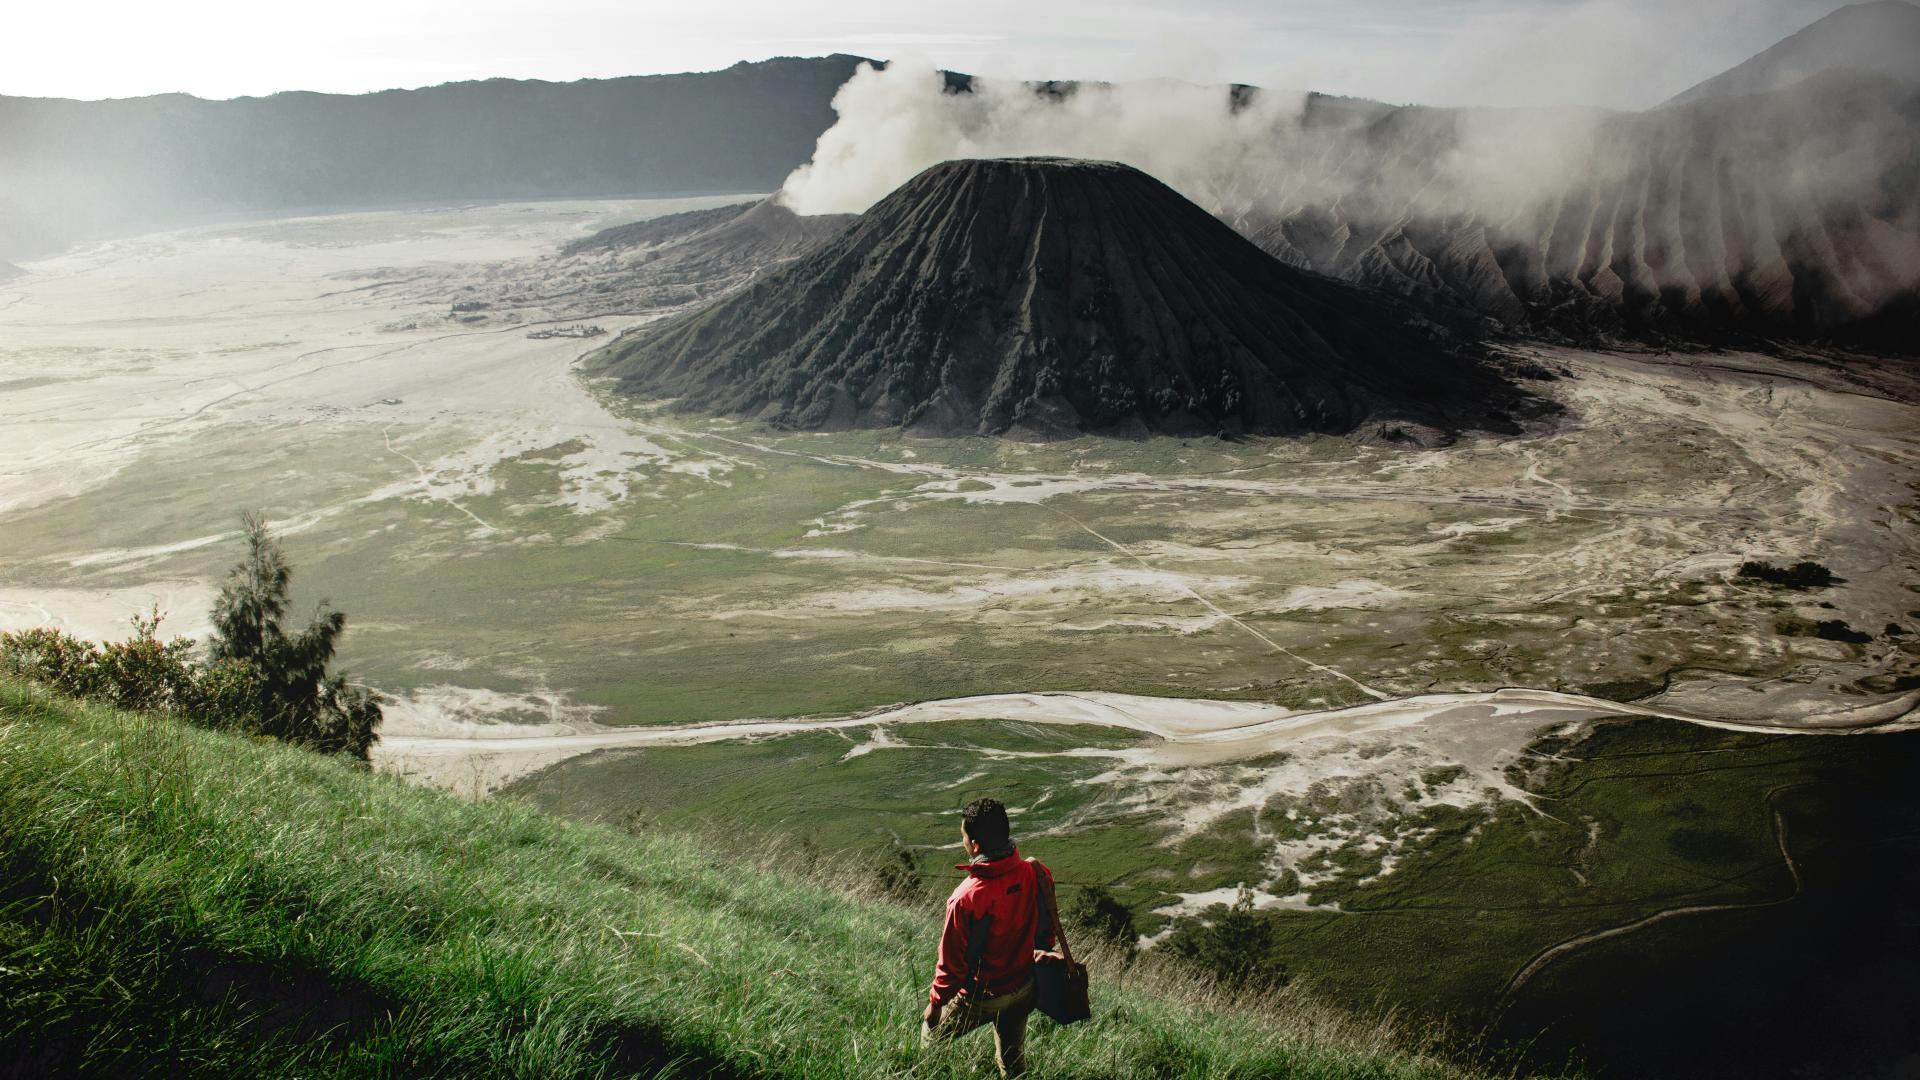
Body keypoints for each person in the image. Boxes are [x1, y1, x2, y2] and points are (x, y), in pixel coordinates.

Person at [921, 797, 1063, 1078]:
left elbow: (951, 966)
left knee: (929, 1043)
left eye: (963, 836)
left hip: (981, 996)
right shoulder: (1034, 871)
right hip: (1024, 986)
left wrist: (935, 1006)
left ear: (974, 845)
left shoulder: (966, 898)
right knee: (1012, 1059)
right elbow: (1046, 926)